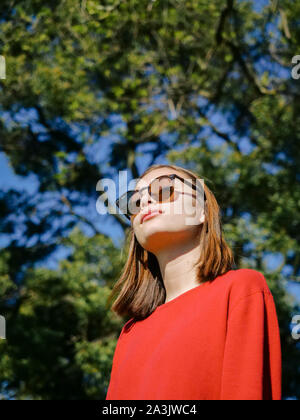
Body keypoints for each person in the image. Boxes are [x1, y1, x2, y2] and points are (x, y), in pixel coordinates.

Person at [105, 163, 282, 400]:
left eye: (163, 189)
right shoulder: (130, 334)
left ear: (201, 210)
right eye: (134, 202)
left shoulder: (241, 290)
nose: (145, 202)